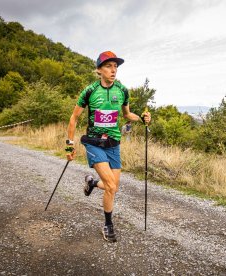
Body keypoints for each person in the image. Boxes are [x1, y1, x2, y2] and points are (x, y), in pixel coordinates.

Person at [66, 51, 151, 243]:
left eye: (116, 67)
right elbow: (74, 118)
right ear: (99, 70)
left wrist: (143, 118)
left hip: (114, 144)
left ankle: (92, 183)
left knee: (113, 188)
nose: (113, 70)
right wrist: (69, 146)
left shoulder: (122, 90)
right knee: (111, 186)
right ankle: (108, 224)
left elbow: (128, 115)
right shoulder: (89, 91)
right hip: (94, 143)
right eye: (108, 66)